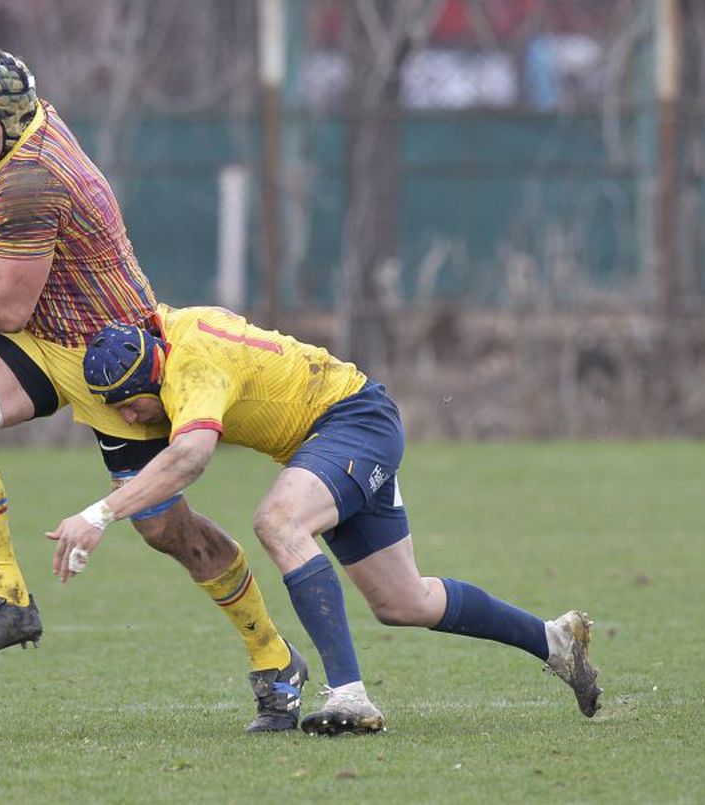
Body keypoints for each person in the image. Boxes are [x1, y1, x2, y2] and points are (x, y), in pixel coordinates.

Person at [0, 49, 306, 732]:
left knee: (169, 530)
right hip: (44, 344)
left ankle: (274, 656)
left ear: (16, 116)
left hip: (116, 360)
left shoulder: (29, 178)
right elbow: (23, 265)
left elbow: (7, 306)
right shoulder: (10, 136)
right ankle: (9, 600)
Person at [49, 304, 602, 735]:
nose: (127, 418)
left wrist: (98, 514)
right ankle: (554, 641)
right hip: (339, 433)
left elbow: (191, 456)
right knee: (403, 602)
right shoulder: (164, 333)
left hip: (352, 423)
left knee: (279, 522)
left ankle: (349, 696)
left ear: (154, 375)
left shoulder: (192, 369)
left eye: (130, 404)